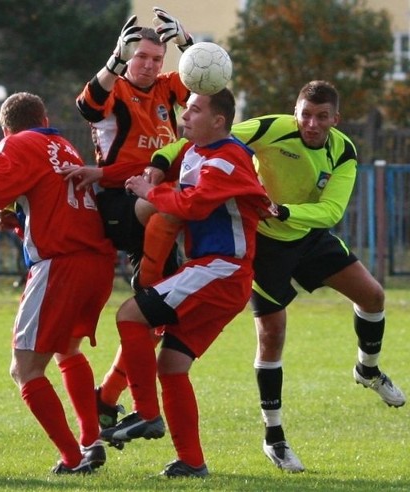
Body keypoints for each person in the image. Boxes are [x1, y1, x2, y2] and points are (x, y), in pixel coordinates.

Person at [231, 80, 406, 473]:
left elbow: (331, 212)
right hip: (264, 245)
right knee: (272, 336)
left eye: (321, 117)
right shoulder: (272, 128)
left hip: (308, 234)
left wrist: (285, 211)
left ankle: (368, 369)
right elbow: (221, 138)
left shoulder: (343, 150)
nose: (311, 123)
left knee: (373, 296)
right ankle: (274, 438)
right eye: (306, 114)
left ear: (335, 119)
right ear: (295, 112)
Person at [98, 89, 272, 477]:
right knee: (172, 366)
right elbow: (172, 159)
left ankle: (145, 414)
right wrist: (158, 169)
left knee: (129, 315)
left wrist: (150, 191)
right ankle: (192, 462)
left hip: (221, 269)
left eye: (195, 110)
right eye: (186, 109)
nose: (185, 116)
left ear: (219, 121)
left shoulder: (229, 158)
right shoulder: (196, 152)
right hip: (218, 274)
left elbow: (193, 204)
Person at [0, 92, 116, 474]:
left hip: (62, 265)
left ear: (6, 128)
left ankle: (72, 458)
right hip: (95, 261)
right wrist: (18, 221)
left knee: (24, 370)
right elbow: (54, 206)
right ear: (44, 116)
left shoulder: (18, 143)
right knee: (68, 349)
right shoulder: (62, 145)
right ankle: (91, 440)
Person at [72, 6, 192, 435]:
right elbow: (87, 107)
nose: (149, 65)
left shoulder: (166, 90)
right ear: (127, 56)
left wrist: (187, 45)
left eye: (157, 60)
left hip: (160, 206)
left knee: (155, 322)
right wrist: (114, 62)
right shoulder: (115, 88)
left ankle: (106, 398)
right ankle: (140, 410)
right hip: (123, 203)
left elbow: (208, 89)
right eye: (142, 57)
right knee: (162, 207)